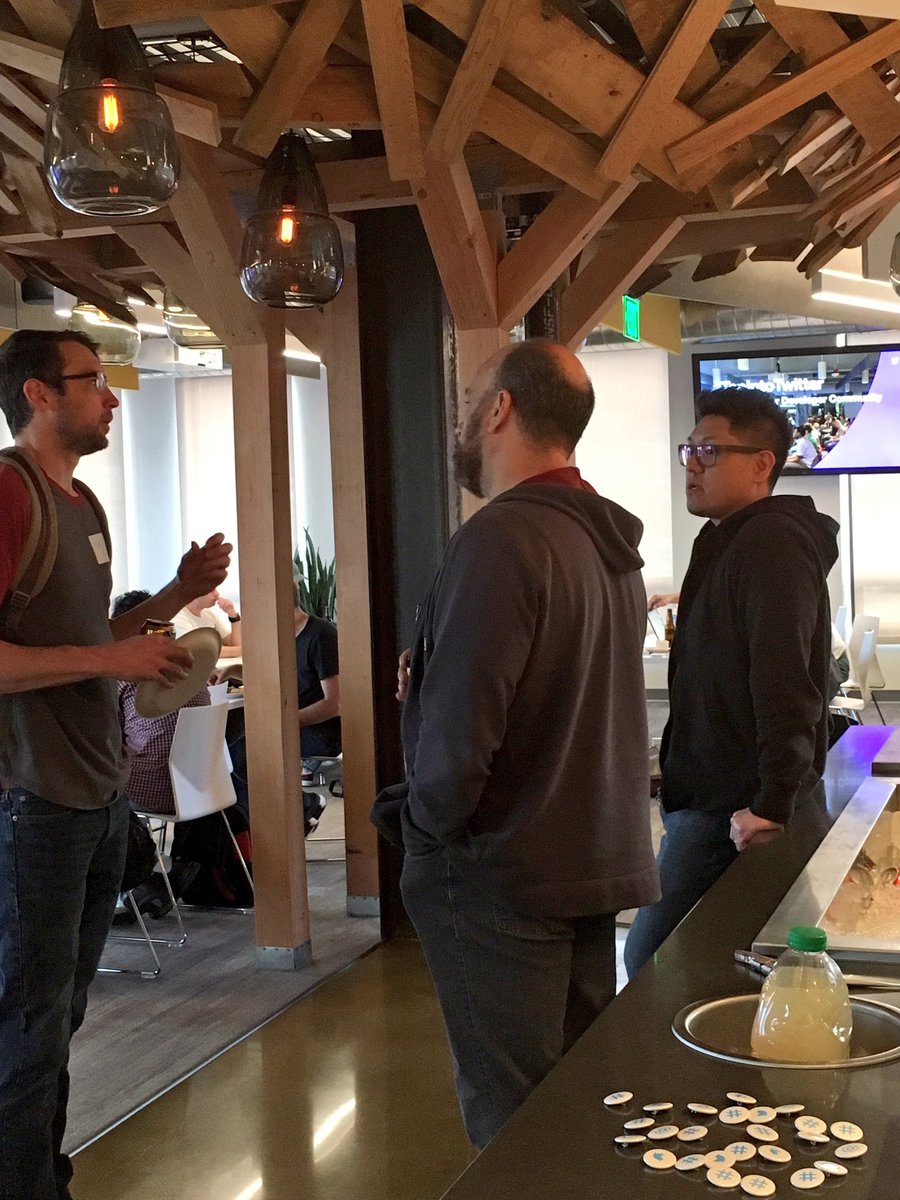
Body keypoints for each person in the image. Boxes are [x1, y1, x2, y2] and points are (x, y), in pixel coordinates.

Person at [390, 338, 659, 1149]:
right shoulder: (606, 543)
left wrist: (423, 834)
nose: (462, 418)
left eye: (470, 397)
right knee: (575, 1110)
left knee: (513, 1130)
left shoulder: (501, 538)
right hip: (588, 859)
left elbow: (463, 733)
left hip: (501, 872)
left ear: (500, 409)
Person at [0, 329, 231, 1200]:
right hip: (32, 797)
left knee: (59, 1017)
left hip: (95, 794)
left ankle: (42, 1175)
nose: (111, 396)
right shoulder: (9, 492)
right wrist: (109, 661)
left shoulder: (85, 504)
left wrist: (175, 595)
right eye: (92, 379)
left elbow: (91, 637)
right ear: (37, 394)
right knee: (28, 1022)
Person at [624, 386, 838, 978]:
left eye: (710, 451)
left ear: (762, 464)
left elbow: (786, 681)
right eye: (689, 449)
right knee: (729, 964)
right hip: (712, 797)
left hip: (733, 807)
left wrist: (770, 803)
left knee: (653, 964)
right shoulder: (726, 538)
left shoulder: (772, 542)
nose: (692, 464)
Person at [173, 586, 242, 658]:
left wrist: (233, 615)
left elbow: (235, 644)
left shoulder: (209, 615)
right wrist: (243, 650)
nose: (217, 593)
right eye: (211, 590)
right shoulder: (178, 617)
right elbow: (201, 650)